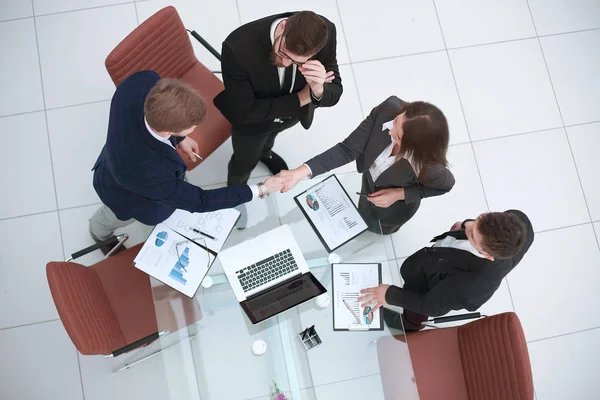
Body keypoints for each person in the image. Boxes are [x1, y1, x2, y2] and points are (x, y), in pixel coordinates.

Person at [89, 71, 289, 254]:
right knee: (111, 216)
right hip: (121, 192)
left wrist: (181, 139)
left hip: (119, 153)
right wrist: (262, 188)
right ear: (167, 131)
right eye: (190, 129)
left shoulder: (142, 82)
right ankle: (99, 235)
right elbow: (201, 201)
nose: (192, 130)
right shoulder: (152, 175)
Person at [213, 10, 343, 226]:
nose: (286, 63)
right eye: (284, 53)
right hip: (252, 124)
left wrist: (318, 87)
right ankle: (235, 194)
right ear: (283, 27)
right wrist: (302, 98)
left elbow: (335, 90)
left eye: (297, 62)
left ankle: (266, 153)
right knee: (243, 162)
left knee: (271, 137)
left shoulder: (325, 32)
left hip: (288, 116)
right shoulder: (237, 47)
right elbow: (246, 111)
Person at [278, 96, 455, 234]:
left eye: (398, 137)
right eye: (395, 123)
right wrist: (299, 172)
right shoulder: (388, 109)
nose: (390, 131)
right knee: (363, 210)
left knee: (380, 228)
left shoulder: (431, 169)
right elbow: (347, 150)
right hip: (369, 185)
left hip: (394, 208)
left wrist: (400, 194)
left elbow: (446, 187)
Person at [358, 210, 534, 331]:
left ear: (487, 255)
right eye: (478, 220)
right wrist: (465, 223)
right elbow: (474, 226)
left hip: (433, 288)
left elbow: (429, 305)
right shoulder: (517, 220)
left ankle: (408, 326)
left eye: (472, 235)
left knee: (415, 311)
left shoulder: (469, 286)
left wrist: (389, 294)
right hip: (437, 262)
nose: (468, 227)